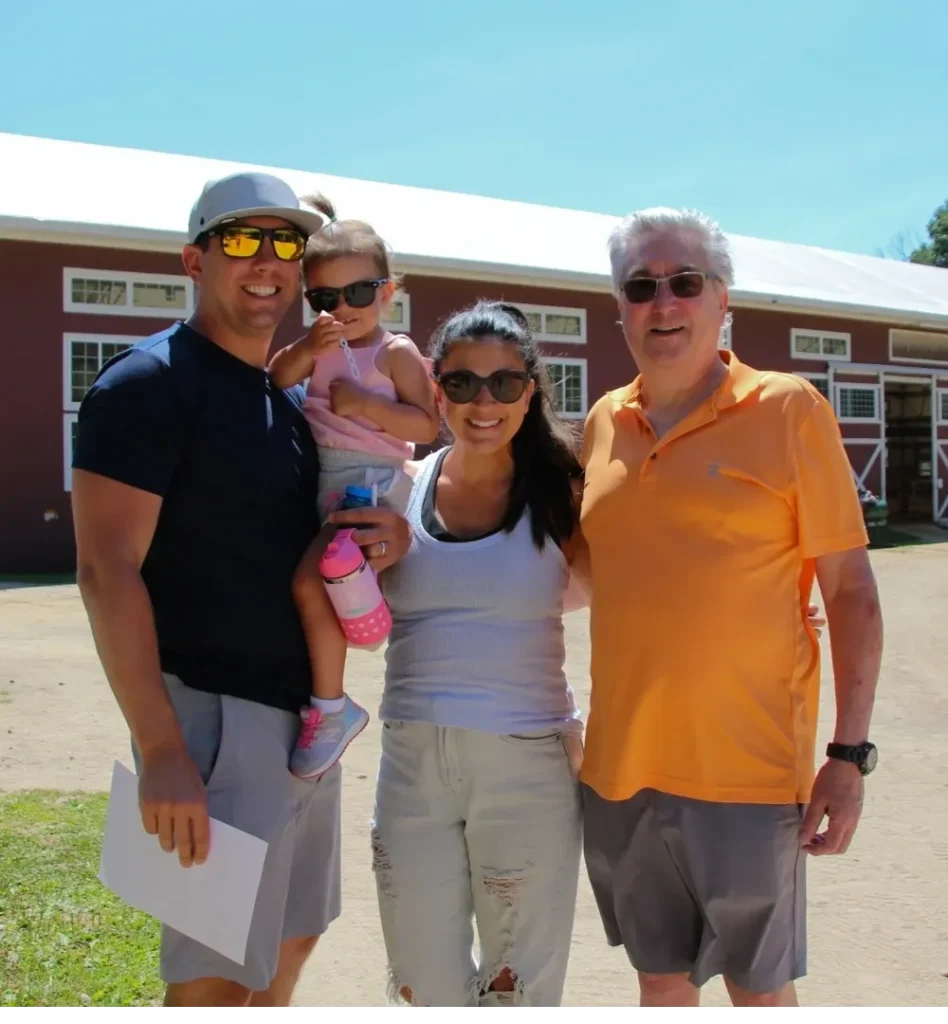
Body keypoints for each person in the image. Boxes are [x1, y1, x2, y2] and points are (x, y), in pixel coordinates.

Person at [70, 171, 411, 1008]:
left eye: (286, 243)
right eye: (241, 240)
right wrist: (161, 751)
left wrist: (390, 537)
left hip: (303, 729)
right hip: (211, 727)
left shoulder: (281, 400)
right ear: (194, 260)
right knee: (213, 979)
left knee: (293, 940)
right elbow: (104, 571)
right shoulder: (148, 384)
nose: (267, 261)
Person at [577, 207, 884, 1008]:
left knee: (759, 993)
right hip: (619, 773)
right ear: (620, 307)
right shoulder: (604, 422)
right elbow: (578, 574)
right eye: (641, 286)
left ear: (723, 300)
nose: (663, 302)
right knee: (660, 985)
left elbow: (849, 589)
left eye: (686, 281)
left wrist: (848, 756)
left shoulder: (789, 410)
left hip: (747, 777)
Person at [321, 299, 587, 1007]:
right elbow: (339, 596)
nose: (484, 401)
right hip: (411, 765)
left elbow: (643, 596)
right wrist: (370, 564)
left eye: (505, 383)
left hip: (526, 762)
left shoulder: (566, 495)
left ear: (530, 391)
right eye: (463, 383)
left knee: (519, 987)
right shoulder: (398, 487)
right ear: (435, 390)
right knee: (424, 984)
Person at [268, 194, 439, 781]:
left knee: (309, 579)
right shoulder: (319, 346)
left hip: (370, 484)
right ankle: (360, 620)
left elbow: (426, 425)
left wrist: (368, 404)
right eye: (325, 297)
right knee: (324, 578)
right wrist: (306, 348)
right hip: (328, 483)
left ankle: (332, 708)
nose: (344, 308)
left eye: (359, 294)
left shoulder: (396, 353)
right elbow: (276, 378)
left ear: (388, 293)